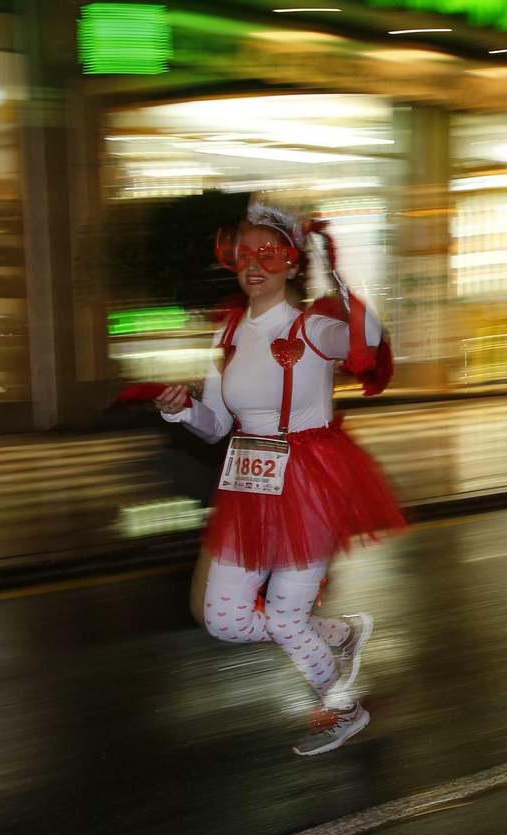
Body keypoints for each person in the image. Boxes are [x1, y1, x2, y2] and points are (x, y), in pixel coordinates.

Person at [150, 203, 405, 756]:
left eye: (269, 253)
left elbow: (369, 340)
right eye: (244, 255)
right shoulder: (233, 333)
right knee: (223, 617)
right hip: (249, 483)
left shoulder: (315, 327)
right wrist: (181, 411)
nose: (254, 265)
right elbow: (217, 425)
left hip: (311, 479)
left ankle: (342, 708)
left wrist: (333, 266)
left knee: (288, 615)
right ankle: (337, 633)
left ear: (292, 264)